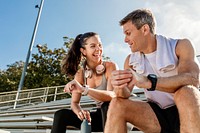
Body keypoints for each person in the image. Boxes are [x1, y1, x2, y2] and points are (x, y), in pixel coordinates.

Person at [104, 9, 200, 133]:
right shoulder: (130, 60)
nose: (125, 40)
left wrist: (149, 81)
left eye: (128, 33)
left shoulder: (180, 46)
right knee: (117, 104)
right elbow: (124, 95)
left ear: (145, 29)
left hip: (187, 109)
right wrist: (119, 86)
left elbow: (192, 78)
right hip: (157, 114)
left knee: (186, 92)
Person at [51, 32, 118, 133]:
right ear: (83, 51)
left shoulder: (111, 66)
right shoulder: (80, 74)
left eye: (100, 45)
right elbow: (74, 103)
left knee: (106, 105)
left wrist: (84, 89)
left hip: (119, 115)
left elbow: (112, 95)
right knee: (61, 115)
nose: (98, 49)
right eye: (93, 46)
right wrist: (79, 112)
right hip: (101, 117)